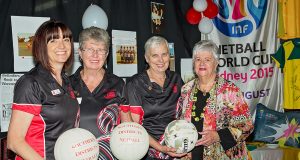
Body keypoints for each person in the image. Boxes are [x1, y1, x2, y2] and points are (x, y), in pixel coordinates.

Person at [7, 20, 80, 160]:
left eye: (66, 39)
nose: (62, 45)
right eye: (53, 41)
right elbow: (14, 141)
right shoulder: (30, 82)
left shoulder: (66, 81)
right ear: (42, 46)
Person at [176, 40, 253, 160]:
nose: (202, 63)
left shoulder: (230, 91)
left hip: (222, 155)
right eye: (198, 59)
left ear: (216, 63)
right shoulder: (186, 89)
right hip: (191, 155)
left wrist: (218, 135)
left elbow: (247, 126)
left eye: (207, 59)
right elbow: (179, 123)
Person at [69, 26, 130, 160]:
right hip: (74, 154)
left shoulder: (118, 84)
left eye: (101, 50)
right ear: (80, 52)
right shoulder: (67, 84)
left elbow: (127, 127)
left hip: (110, 155)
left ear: (107, 54)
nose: (95, 55)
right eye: (90, 49)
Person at [125, 36, 185, 159]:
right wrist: (160, 147)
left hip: (176, 146)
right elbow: (135, 128)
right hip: (149, 151)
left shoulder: (176, 79)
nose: (161, 60)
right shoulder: (135, 84)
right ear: (147, 58)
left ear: (169, 56)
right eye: (155, 55)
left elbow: (185, 113)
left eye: (164, 54)